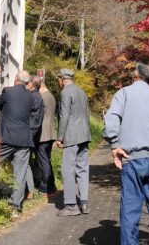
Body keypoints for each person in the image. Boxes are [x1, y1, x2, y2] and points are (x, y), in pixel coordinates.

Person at [103, 62, 149, 245]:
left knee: (130, 212)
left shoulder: (124, 94)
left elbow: (111, 118)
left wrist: (114, 146)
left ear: (135, 74)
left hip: (131, 160)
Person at [0, 70, 44, 215]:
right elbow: (33, 119)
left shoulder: (7, 92)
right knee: (20, 173)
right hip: (24, 139)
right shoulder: (32, 97)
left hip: (6, 138)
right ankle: (15, 206)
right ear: (27, 83)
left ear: (16, 78)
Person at [55, 67, 91, 217]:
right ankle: (83, 203)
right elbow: (86, 114)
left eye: (58, 78)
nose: (58, 81)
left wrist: (60, 137)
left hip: (71, 135)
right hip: (84, 134)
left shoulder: (65, 92)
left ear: (62, 78)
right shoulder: (81, 91)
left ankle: (71, 205)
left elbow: (64, 116)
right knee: (82, 168)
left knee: (67, 169)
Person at [36, 76, 57, 196]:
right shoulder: (51, 96)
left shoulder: (42, 97)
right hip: (50, 132)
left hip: (43, 134)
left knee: (43, 162)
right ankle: (52, 185)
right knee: (47, 161)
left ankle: (45, 188)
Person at [24, 75, 45, 198]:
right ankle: (30, 189)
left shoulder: (32, 97)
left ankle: (29, 190)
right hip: (33, 133)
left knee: (24, 162)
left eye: (28, 83)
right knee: (27, 162)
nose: (26, 84)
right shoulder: (39, 97)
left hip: (28, 133)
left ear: (32, 84)